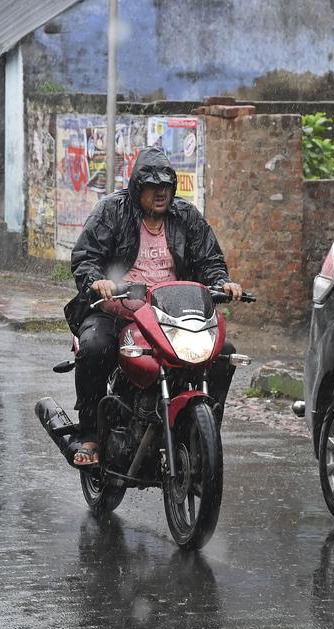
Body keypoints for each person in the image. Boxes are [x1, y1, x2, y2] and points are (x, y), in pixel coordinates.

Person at [64, 146, 242, 466]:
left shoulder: (186, 216)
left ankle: (204, 430)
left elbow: (210, 260)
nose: (161, 193)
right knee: (94, 348)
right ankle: (89, 432)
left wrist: (222, 282)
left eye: (167, 186)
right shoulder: (112, 211)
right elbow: (86, 256)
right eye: (153, 186)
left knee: (222, 353)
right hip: (118, 313)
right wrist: (97, 280)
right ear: (137, 188)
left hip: (169, 315)